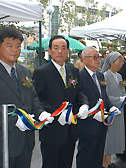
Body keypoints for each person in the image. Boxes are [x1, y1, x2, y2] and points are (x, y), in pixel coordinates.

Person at [0, 27, 53, 168]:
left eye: (18, 46)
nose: (15, 50)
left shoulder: (24, 71)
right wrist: (15, 120)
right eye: (9, 46)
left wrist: (41, 113)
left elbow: (33, 98)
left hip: (25, 142)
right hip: (0, 143)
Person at [33, 36, 89, 168]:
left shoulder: (73, 71)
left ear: (68, 51)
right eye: (56, 48)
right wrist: (53, 114)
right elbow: (36, 100)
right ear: (50, 51)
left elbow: (80, 92)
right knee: (50, 164)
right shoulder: (41, 72)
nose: (60, 51)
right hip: (51, 130)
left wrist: (84, 104)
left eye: (63, 48)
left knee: (66, 163)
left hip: (70, 130)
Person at [77, 47, 120, 168]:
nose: (98, 60)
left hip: (102, 122)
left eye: (99, 57)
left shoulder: (100, 75)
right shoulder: (79, 76)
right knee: (86, 154)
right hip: (88, 123)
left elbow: (104, 95)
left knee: (98, 153)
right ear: (85, 59)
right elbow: (79, 98)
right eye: (94, 57)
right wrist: (92, 111)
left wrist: (111, 107)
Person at [101, 52, 126, 168]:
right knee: (108, 137)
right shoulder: (105, 76)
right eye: (119, 62)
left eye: (122, 62)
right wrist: (119, 99)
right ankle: (104, 163)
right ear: (111, 62)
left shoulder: (119, 76)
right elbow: (106, 95)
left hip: (120, 110)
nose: (121, 64)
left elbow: (122, 91)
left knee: (116, 135)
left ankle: (109, 161)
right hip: (110, 110)